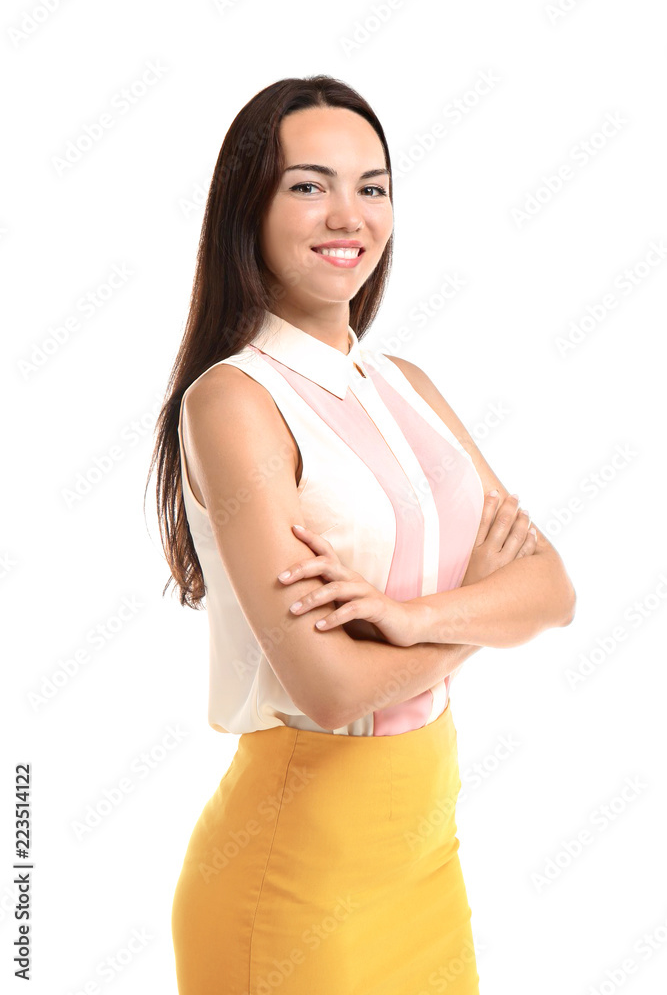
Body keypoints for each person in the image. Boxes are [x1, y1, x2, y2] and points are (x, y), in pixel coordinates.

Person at [149, 75, 576, 994]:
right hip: (297, 875)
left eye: (371, 186)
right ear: (247, 207)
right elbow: (332, 686)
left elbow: (554, 591)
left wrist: (407, 619)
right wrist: (479, 615)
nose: (348, 214)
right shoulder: (234, 401)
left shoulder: (408, 386)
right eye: (308, 185)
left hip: (427, 855)